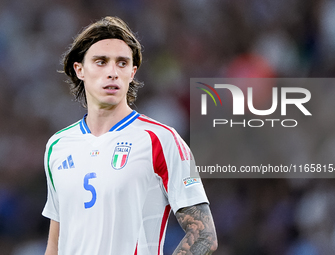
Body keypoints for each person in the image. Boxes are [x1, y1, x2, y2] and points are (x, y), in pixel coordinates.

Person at [42, 16, 217, 255]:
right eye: (101, 62)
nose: (112, 72)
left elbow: (204, 235)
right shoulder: (58, 146)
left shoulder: (161, 140)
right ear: (79, 69)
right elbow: (55, 244)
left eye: (122, 63)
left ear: (133, 72)